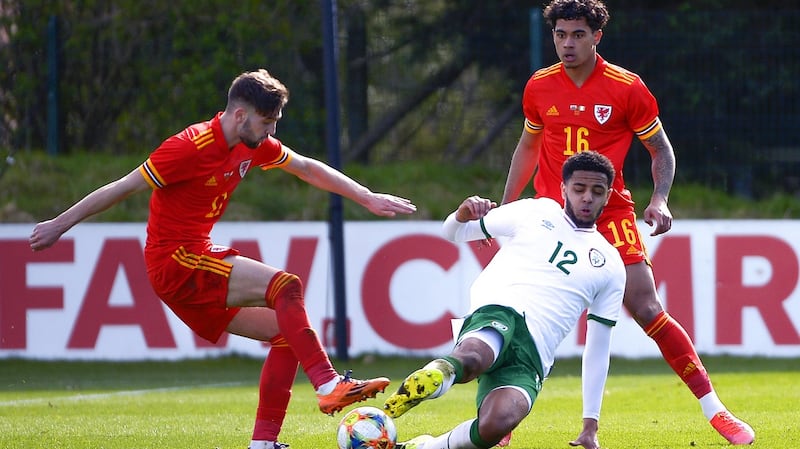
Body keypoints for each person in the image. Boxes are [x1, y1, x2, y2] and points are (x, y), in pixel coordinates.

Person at [29, 69, 417, 449]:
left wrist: (366, 196)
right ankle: (329, 384)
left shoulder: (253, 143)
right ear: (240, 115)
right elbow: (123, 187)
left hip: (194, 257)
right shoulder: (188, 146)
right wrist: (59, 225)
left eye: (275, 122)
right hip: (175, 260)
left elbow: (304, 167)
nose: (272, 131)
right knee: (286, 286)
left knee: (285, 333)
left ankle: (263, 443)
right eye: (267, 121)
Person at [500, 0, 754, 446]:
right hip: (551, 214)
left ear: (597, 37)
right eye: (560, 35)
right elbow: (528, 147)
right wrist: (506, 210)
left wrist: (660, 199)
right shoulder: (539, 86)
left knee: (648, 308)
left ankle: (716, 410)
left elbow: (661, 150)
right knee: (522, 315)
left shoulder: (627, 87)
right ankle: (500, 424)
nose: (567, 44)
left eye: (578, 34)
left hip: (611, 213)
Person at [384, 151, 626, 449]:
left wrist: (590, 424)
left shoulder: (611, 265)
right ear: (564, 188)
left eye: (597, 191)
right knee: (474, 358)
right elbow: (454, 232)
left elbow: (598, 347)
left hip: (534, 354)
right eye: (579, 189)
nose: (587, 197)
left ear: (608, 195)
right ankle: (437, 375)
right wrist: (461, 215)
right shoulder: (536, 211)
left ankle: (422, 447)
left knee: (497, 424)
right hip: (501, 310)